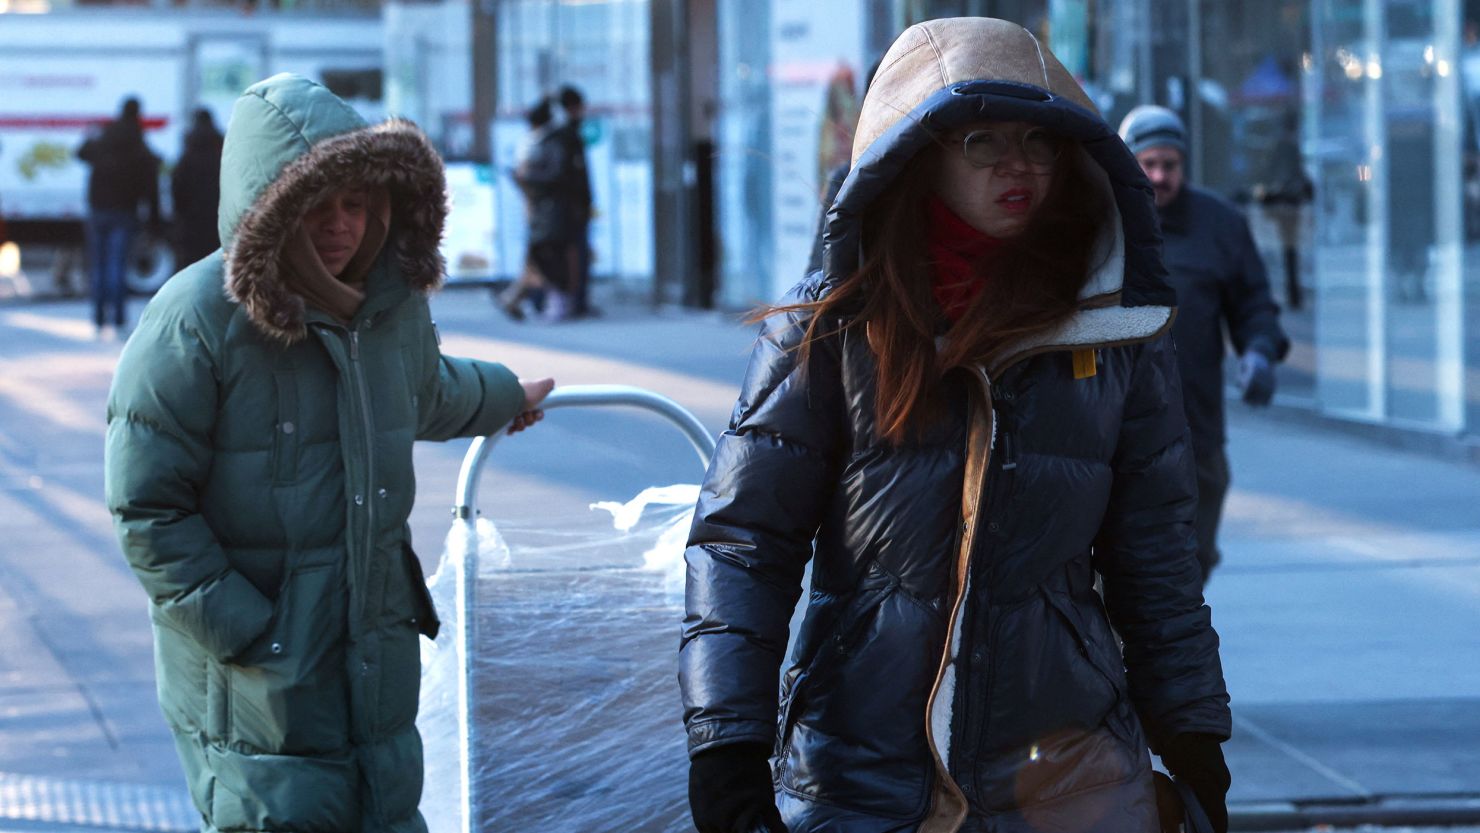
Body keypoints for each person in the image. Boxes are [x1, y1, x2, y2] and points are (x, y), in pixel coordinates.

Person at [682, 18, 1231, 833]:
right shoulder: (831, 328)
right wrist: (726, 745)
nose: (1019, 164)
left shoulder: (1116, 332)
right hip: (861, 769)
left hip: (1065, 770)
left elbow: (1156, 554)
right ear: (920, 154)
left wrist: (1191, 733)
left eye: (1040, 141)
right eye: (982, 140)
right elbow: (743, 542)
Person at [104, 74, 554, 833]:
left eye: (356, 203)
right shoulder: (195, 318)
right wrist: (248, 627)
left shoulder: (387, 306)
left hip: (374, 655)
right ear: (270, 204)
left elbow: (427, 390)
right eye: (316, 205)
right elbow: (147, 506)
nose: (340, 225)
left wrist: (509, 393)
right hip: (258, 687)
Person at [1118, 105, 1290, 584]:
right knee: (1124, 570)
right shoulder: (1103, 223)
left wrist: (1259, 350)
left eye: (1169, 165)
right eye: (1147, 165)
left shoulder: (1219, 224)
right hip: (1115, 432)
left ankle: (1172, 655)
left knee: (1191, 565)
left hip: (1197, 434)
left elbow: (1253, 302)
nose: (1158, 176)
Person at [78, 96, 163, 337]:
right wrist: (154, 223)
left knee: (99, 265)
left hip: (98, 210)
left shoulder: (104, 137)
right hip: (125, 212)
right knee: (117, 265)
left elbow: (81, 153)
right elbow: (151, 188)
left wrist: (90, 135)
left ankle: (97, 319)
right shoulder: (139, 145)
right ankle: (117, 321)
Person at [499, 96, 571, 321]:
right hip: (543, 207)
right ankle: (521, 298)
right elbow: (551, 175)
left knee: (537, 255)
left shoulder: (536, 142)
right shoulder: (544, 142)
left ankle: (515, 298)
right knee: (541, 255)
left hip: (538, 206)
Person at [1252, 110, 1311, 311]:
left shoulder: (1279, 146)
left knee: (1286, 250)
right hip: (1286, 202)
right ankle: (1291, 293)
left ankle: (1291, 293)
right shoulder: (1287, 146)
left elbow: (1267, 171)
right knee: (1287, 250)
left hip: (1284, 202)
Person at [554, 84, 595, 317]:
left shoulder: (566, 134)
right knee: (575, 255)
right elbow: (573, 176)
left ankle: (577, 299)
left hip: (572, 207)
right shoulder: (567, 136)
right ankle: (576, 300)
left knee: (578, 254)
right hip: (572, 209)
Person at [169, 107, 225, 270]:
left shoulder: (187, 156)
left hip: (190, 221)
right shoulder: (221, 155)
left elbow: (177, 188)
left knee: (190, 265)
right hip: (216, 219)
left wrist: (179, 213)